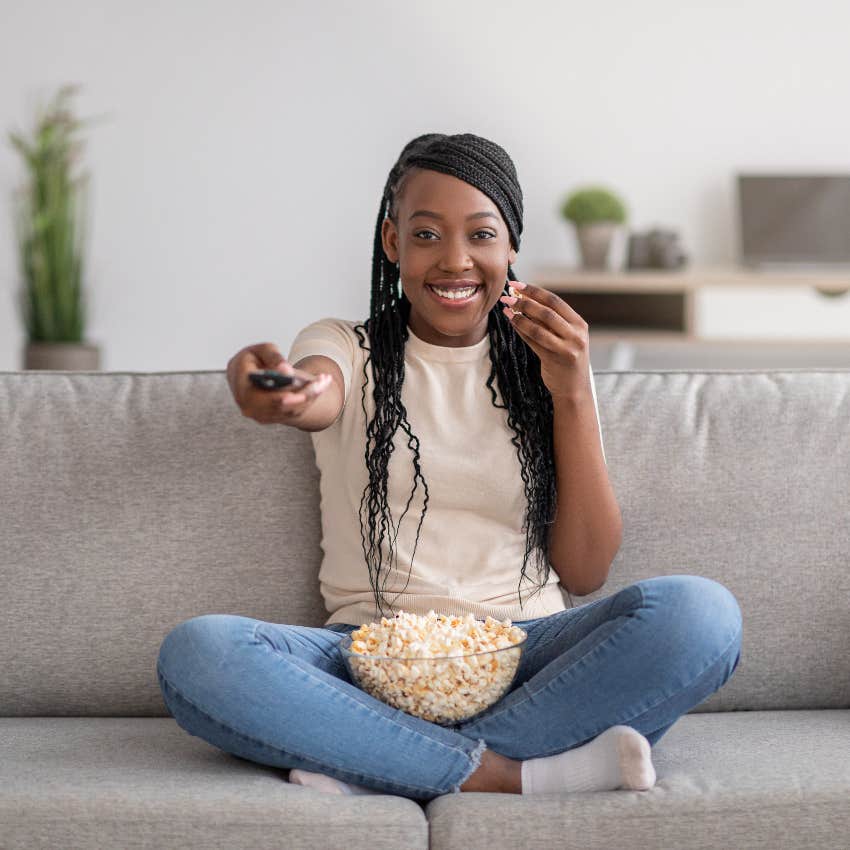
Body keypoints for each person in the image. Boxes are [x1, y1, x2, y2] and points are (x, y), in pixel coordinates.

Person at [156, 132, 742, 801]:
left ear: (511, 246)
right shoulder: (343, 346)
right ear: (391, 242)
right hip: (367, 655)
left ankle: (371, 757)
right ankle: (516, 773)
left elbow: (585, 570)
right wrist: (277, 388)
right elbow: (313, 392)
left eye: (481, 235)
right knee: (199, 653)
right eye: (427, 234)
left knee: (703, 615)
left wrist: (573, 388)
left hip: (525, 650)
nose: (456, 261)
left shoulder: (544, 366)